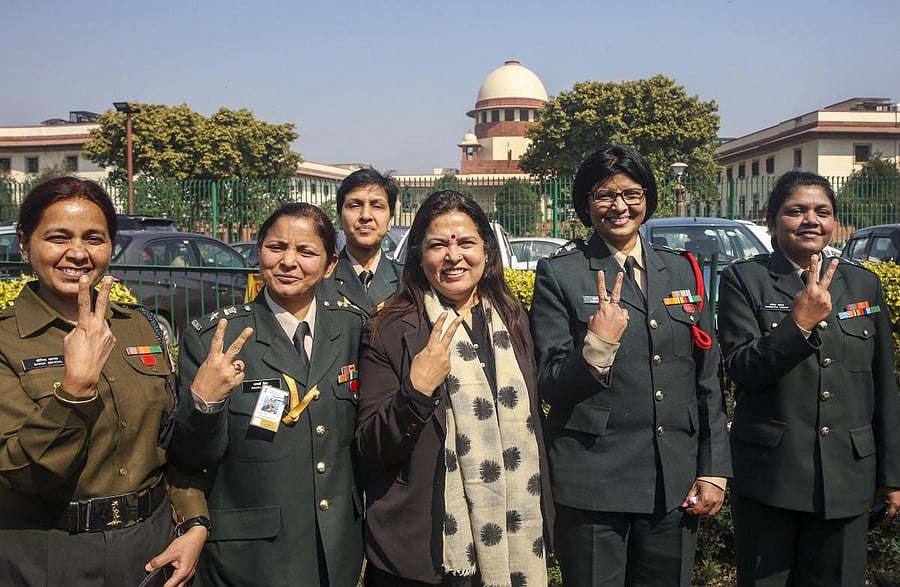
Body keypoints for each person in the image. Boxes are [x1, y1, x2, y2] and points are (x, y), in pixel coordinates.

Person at [530, 145, 732, 586]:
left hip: (671, 481)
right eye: (604, 195)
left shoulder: (684, 271)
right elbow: (549, 384)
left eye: (631, 194)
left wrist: (713, 467)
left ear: (647, 199)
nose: (619, 206)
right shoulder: (560, 274)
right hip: (594, 482)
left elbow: (706, 380)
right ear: (586, 205)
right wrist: (598, 346)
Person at [0, 176, 208, 586]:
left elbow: (169, 444)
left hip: (150, 547)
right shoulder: (6, 340)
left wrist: (193, 521)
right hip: (48, 552)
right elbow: (22, 472)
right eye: (58, 237)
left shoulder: (142, 328)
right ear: (25, 244)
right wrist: (74, 391)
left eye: (94, 238)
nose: (77, 253)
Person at [356, 190, 552, 586]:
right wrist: (416, 391)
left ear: (487, 251)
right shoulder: (391, 329)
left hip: (513, 535)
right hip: (422, 550)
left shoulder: (512, 320)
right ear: (418, 254)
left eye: (466, 243)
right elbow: (368, 447)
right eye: (437, 245)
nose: (453, 256)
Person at [717, 170, 900, 586]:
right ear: (771, 218)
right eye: (795, 211)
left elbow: (882, 385)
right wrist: (798, 323)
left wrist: (891, 476)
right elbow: (743, 368)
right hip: (771, 477)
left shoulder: (863, 284)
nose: (810, 221)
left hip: (846, 478)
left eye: (822, 211)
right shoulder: (744, 280)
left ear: (835, 221)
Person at [170, 202, 366, 586]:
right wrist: (205, 404)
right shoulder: (214, 340)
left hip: (335, 550)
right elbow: (189, 458)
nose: (288, 261)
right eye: (276, 247)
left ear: (330, 265)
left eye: (306, 252)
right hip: (250, 558)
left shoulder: (354, 328)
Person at [326, 167, 403, 314]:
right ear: (340, 219)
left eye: (377, 206)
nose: (366, 215)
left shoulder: (407, 281)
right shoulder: (320, 280)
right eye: (354, 205)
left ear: (390, 220)